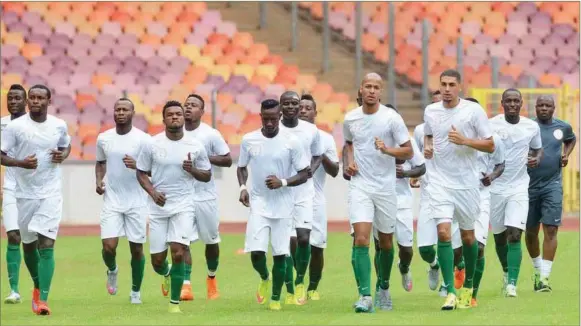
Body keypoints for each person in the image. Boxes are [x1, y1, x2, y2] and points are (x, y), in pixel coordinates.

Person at [423, 69, 495, 310]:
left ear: (460, 87)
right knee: (443, 233)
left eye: (451, 84)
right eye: (443, 84)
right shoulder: (430, 111)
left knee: (467, 237)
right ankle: (450, 291)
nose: (446, 88)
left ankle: (469, 285)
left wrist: (465, 141)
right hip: (440, 183)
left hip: (466, 184)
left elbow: (490, 145)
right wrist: (428, 147)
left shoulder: (473, 111)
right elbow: (429, 135)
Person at [344, 72, 413, 313]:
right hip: (360, 185)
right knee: (361, 238)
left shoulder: (391, 118)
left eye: (376, 87)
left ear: (381, 92)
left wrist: (387, 150)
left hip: (386, 187)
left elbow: (408, 152)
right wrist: (349, 162)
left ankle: (383, 286)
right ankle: (364, 296)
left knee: (385, 242)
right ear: (361, 89)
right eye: (368, 86)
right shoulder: (350, 118)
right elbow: (349, 144)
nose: (372, 91)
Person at [1, 84, 72, 315]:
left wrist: (62, 155)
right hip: (22, 193)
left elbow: (65, 145)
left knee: (47, 244)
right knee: (28, 244)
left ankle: (43, 299)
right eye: (32, 98)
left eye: (41, 98)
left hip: (50, 192)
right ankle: (36, 286)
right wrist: (21, 163)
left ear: (49, 101)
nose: (36, 101)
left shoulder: (59, 125)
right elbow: (1, 155)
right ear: (28, 101)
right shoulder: (14, 127)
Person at [136, 100, 211, 313]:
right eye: (170, 114)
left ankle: (174, 304)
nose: (175, 117)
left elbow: (207, 175)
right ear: (164, 119)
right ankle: (167, 274)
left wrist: (193, 170)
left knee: (178, 252)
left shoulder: (195, 145)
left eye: (178, 113)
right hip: (158, 208)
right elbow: (140, 172)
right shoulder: (152, 144)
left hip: (184, 206)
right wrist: (152, 192)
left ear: (183, 117)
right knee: (158, 262)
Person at [237, 99, 310, 311]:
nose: (269, 123)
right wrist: (243, 187)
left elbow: (305, 173)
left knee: (280, 253)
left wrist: (283, 182)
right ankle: (264, 277)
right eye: (265, 119)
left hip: (284, 205)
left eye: (273, 119)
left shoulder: (292, 141)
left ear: (279, 117)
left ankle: (276, 298)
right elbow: (241, 167)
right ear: (260, 116)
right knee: (257, 253)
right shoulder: (249, 140)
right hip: (259, 204)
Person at [488, 88, 543, 298]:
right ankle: (505, 271)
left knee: (514, 234)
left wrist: (536, 159)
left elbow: (538, 149)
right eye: (508, 101)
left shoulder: (531, 127)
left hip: (519, 187)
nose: (512, 104)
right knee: (500, 238)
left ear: (522, 104)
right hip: (495, 187)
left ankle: (512, 283)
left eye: (516, 101)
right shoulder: (491, 125)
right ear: (502, 103)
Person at [95, 98, 151, 304]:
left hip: (137, 201)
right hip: (112, 200)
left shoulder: (144, 140)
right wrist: (98, 180)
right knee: (108, 247)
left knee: (136, 249)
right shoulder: (104, 138)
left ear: (133, 113)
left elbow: (155, 170)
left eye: (124, 110)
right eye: (117, 109)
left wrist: (138, 165)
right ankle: (112, 269)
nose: (120, 113)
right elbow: (100, 163)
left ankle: (135, 291)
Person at [180, 94, 232, 301]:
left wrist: (202, 157)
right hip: (182, 196)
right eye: (186, 104)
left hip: (205, 195)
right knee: (183, 241)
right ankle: (186, 284)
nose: (188, 108)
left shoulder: (210, 135)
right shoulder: (174, 134)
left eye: (193, 105)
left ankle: (211, 278)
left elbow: (227, 160)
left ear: (202, 112)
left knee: (211, 241)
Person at [414, 90, 463, 298]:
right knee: (425, 248)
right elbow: (415, 157)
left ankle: (447, 282)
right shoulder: (419, 132)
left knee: (447, 239)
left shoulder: (457, 129)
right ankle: (434, 265)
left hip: (452, 192)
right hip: (429, 193)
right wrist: (414, 174)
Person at [525, 95, 576, 292]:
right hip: (528, 186)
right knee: (530, 232)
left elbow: (571, 140)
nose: (544, 108)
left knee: (551, 229)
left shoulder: (563, 127)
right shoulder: (527, 127)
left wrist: (565, 154)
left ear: (554, 108)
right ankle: (537, 269)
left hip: (552, 185)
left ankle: (544, 277)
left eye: (548, 105)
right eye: (540, 105)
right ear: (535, 107)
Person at [279, 91, 324, 305]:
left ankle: (299, 282)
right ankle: (289, 289)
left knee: (304, 238)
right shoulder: (273, 129)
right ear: (280, 107)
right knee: (285, 242)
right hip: (281, 192)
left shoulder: (311, 130)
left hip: (304, 191)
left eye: (294, 104)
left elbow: (318, 154)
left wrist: (310, 171)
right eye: (286, 103)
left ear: (299, 107)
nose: (291, 107)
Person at [297, 94, 339, 301]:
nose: (303, 110)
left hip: (315, 199)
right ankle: (298, 283)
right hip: (292, 198)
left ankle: (313, 287)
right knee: (294, 242)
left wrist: (322, 156)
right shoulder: (287, 136)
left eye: (307, 108)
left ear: (315, 112)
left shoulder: (326, 138)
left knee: (316, 247)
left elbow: (335, 171)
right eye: (300, 107)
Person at [471, 132, 505, 306]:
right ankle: (456, 275)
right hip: (454, 194)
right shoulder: (451, 136)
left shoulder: (493, 139)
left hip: (482, 195)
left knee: (479, 247)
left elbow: (501, 164)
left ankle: (472, 294)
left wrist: (491, 176)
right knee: (456, 248)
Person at [1, 84, 27, 304]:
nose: (13, 101)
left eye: (18, 98)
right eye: (10, 98)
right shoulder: (1, 124)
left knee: (32, 242)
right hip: (10, 186)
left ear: (26, 101)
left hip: (35, 190)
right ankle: (14, 290)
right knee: (13, 235)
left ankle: (39, 286)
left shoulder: (37, 125)